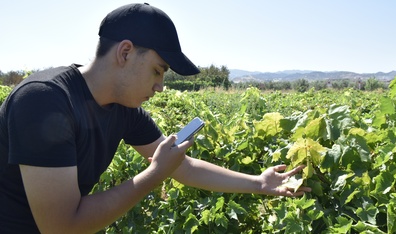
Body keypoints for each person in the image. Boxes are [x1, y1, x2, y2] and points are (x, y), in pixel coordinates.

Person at [0, 3, 311, 233]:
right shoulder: (43, 101)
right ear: (125, 53)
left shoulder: (124, 109)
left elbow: (182, 166)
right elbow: (61, 226)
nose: (161, 86)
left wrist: (259, 183)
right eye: (158, 70)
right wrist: (153, 176)